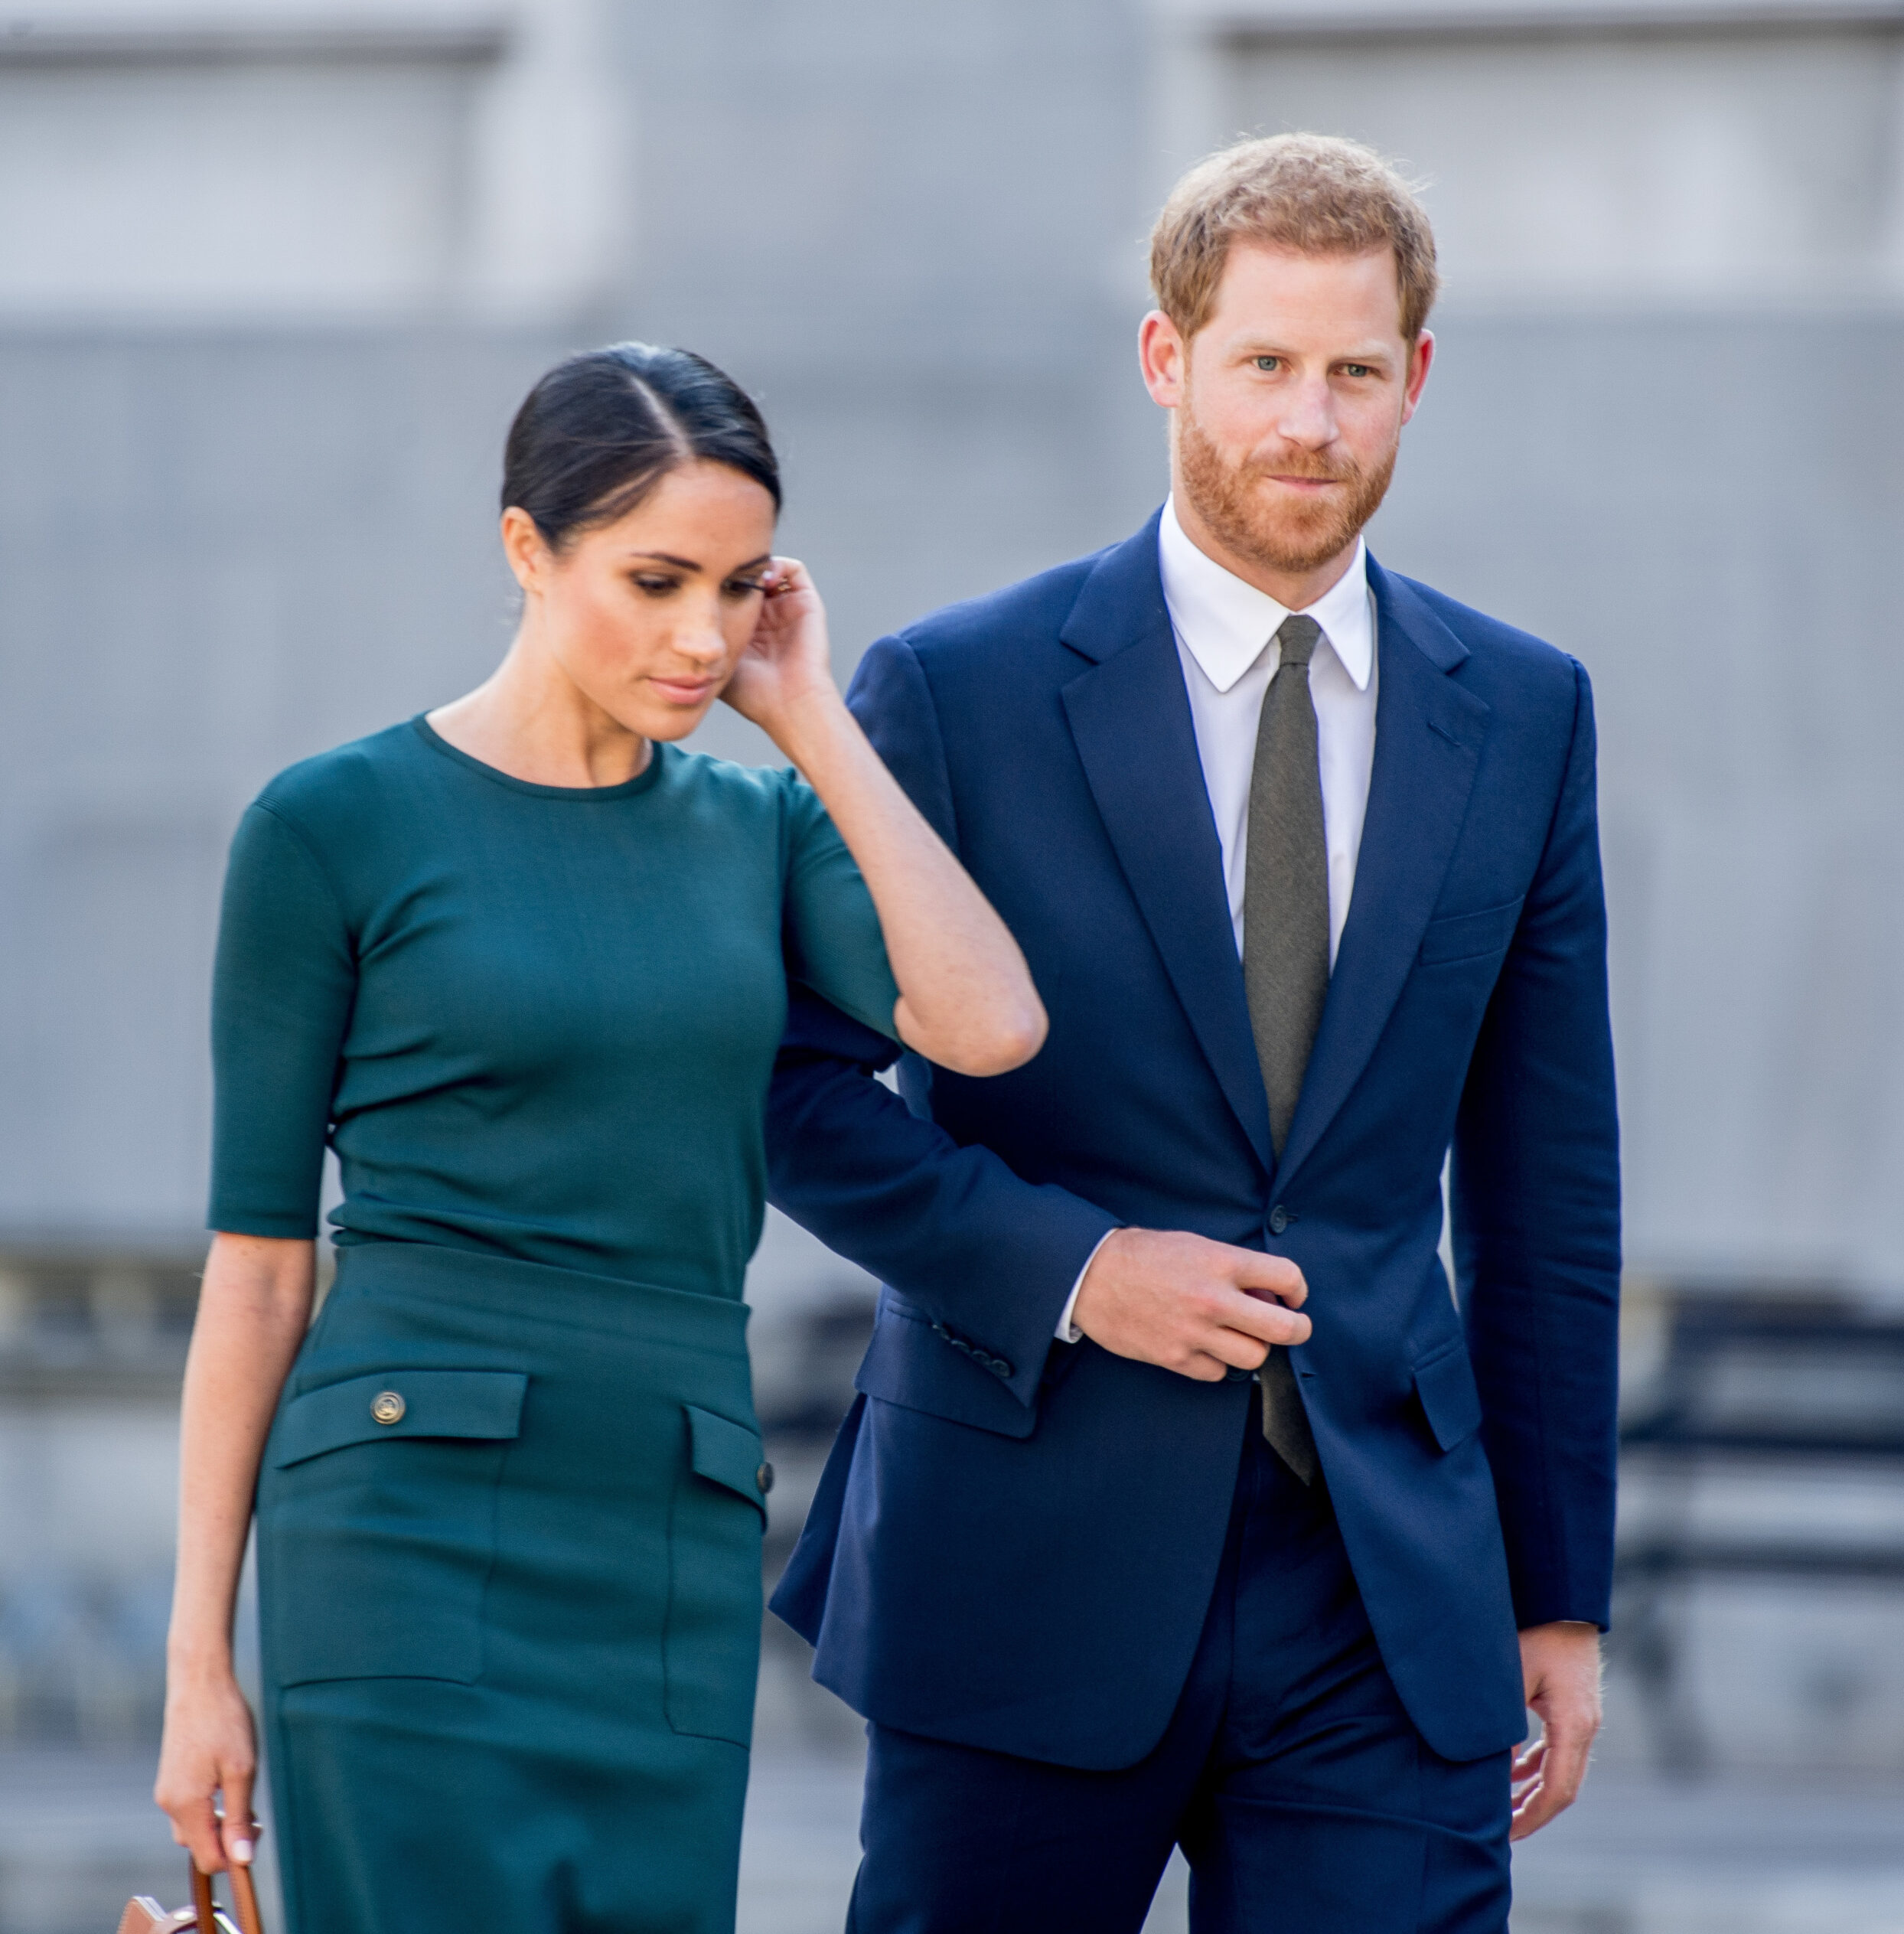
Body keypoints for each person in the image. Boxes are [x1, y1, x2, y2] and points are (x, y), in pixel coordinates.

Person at [765, 135, 1619, 1932]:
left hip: (1381, 1587)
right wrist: (1077, 1269)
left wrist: (1558, 1593)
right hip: (1021, 1553)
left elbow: (1547, 1190)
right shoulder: (957, 691)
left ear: (1414, 381)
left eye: (1352, 371)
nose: (1306, 421)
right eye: (1262, 365)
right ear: (1168, 361)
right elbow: (798, 1091)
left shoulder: (1524, 715)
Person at [153, 343, 1046, 1933]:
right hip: (401, 1510)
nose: (699, 636)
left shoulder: (757, 830)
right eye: (652, 580)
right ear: (525, 549)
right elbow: (260, 1271)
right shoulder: (330, 827)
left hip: (663, 1515)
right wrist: (196, 1664)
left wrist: (812, 722)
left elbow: (984, 1027)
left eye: (734, 586)